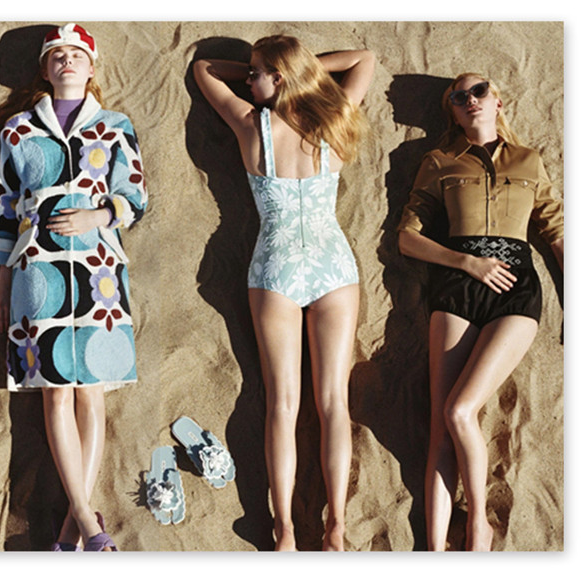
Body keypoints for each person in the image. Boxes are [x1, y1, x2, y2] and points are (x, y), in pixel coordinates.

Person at [193, 36, 374, 551]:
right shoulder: (332, 119)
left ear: (278, 77)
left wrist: (276, 72)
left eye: (256, 73)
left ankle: (286, 529)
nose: (248, 81)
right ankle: (336, 527)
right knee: (333, 401)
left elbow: (205, 68)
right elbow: (364, 59)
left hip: (276, 266)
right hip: (332, 264)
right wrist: (297, 70)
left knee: (282, 403)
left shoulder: (252, 126)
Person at [0, 23, 147, 552]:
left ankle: (68, 537)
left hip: (99, 268)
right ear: (45, 68)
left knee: (92, 392)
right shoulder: (17, 130)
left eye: (77, 54)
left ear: (91, 67)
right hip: (38, 269)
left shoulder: (115, 126)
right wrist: (2, 278)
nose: (67, 60)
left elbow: (135, 195)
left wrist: (99, 215)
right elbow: (4, 207)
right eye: (57, 55)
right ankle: (85, 519)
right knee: (56, 392)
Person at [398, 73, 564, 551]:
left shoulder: (528, 161)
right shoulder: (439, 162)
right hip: (457, 286)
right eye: (458, 96)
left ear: (498, 102)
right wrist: (467, 262)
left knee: (460, 409)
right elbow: (408, 238)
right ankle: (434, 548)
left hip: (515, 290)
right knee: (441, 425)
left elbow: (556, 232)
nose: (470, 99)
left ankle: (477, 524)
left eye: (479, 91)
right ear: (453, 112)